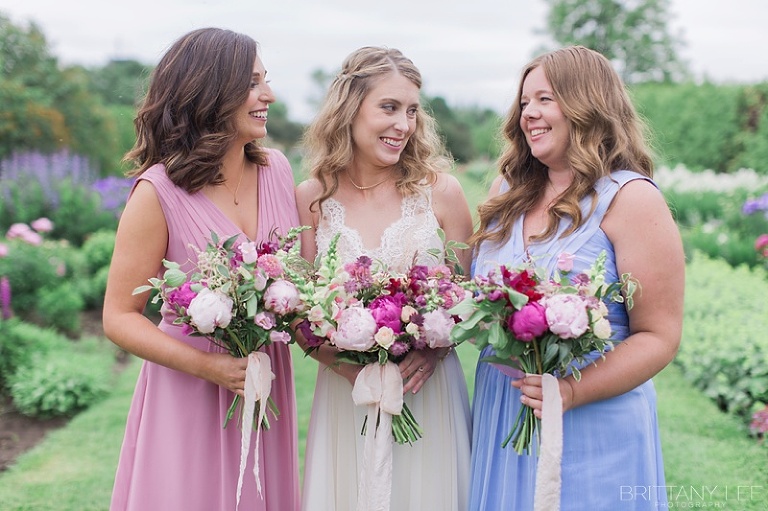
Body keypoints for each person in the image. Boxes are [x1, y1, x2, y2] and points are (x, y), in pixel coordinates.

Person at [468, 45, 685, 510]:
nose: (529, 114)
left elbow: (660, 335)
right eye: (524, 102)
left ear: (587, 104)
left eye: (545, 99)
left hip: (592, 421)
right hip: (504, 409)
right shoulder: (506, 193)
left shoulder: (631, 199)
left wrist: (570, 390)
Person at [102, 28, 300, 510]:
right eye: (253, 84)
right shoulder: (157, 192)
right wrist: (209, 366)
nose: (268, 95)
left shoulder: (277, 170)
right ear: (213, 92)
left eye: (266, 81)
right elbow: (118, 316)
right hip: (187, 388)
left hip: (263, 379)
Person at [295, 46, 473, 511]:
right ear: (349, 109)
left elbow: (470, 298)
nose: (403, 125)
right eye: (389, 107)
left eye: (412, 111)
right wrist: (348, 369)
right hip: (346, 398)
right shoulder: (312, 198)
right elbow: (297, 314)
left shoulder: (441, 192)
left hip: (427, 393)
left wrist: (436, 348)